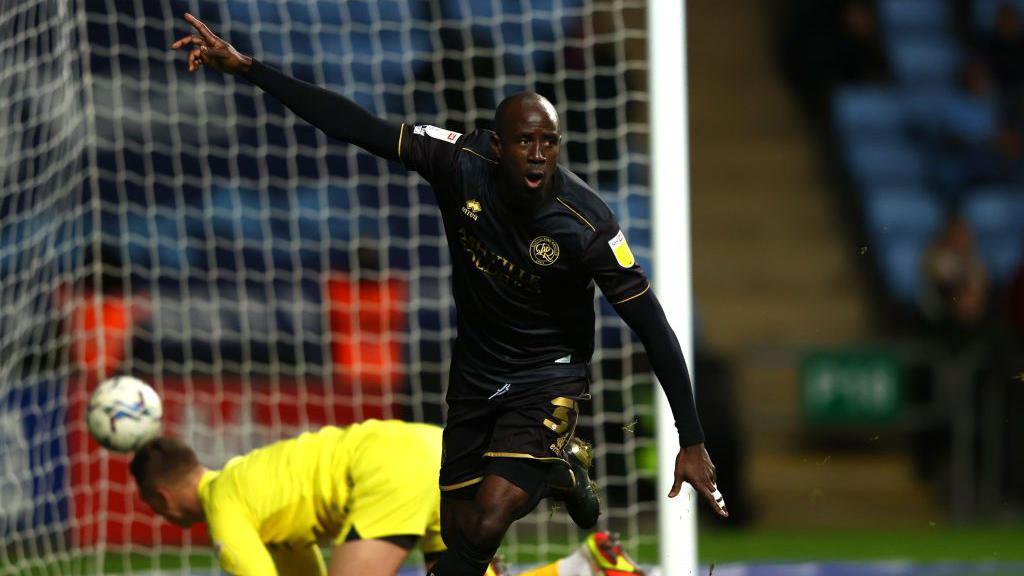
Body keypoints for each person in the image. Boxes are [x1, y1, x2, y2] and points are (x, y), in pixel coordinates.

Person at [171, 13, 727, 576]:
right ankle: (562, 492)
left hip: (546, 376)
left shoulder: (587, 225)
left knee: (486, 523)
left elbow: (653, 326)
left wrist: (692, 438)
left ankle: (546, 470)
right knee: (463, 537)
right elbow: (355, 125)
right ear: (496, 143)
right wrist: (248, 69)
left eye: (548, 143)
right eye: (525, 141)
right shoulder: (459, 162)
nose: (538, 154)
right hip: (474, 377)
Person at [131, 420, 644, 576]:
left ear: (160, 496)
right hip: (428, 449)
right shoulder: (256, 495)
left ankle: (526, 467)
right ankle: (587, 565)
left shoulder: (225, 506)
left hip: (386, 472)